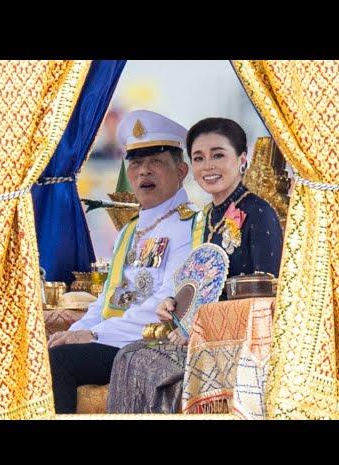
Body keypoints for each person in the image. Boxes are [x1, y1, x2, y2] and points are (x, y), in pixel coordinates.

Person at [106, 117, 283, 414]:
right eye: (199, 158)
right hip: (200, 338)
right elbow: (197, 285)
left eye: (218, 155)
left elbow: (268, 299)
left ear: (242, 160)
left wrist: (201, 326)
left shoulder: (259, 212)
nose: (208, 166)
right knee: (127, 356)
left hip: (240, 344)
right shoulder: (204, 218)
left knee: (143, 363)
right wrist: (173, 305)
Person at [48, 110, 197, 413]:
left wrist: (95, 334)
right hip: (111, 340)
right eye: (136, 163)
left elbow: (167, 303)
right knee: (46, 350)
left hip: (147, 345)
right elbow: (107, 299)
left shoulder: (191, 226)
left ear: (181, 170)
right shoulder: (129, 230)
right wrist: (77, 329)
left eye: (156, 162)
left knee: (57, 363)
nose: (144, 172)